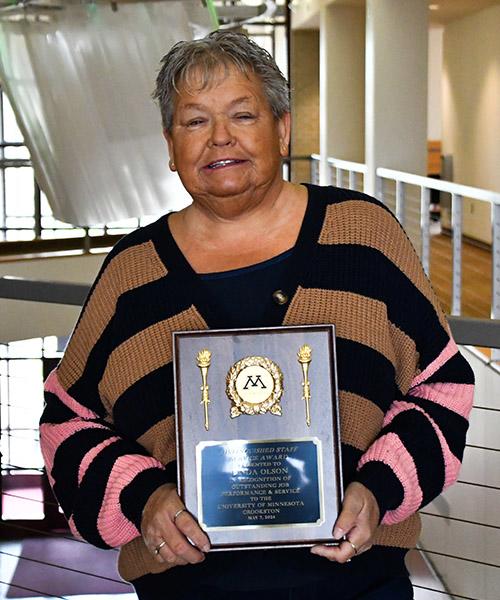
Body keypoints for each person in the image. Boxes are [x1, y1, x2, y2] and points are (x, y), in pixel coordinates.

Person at [40, 30, 474, 600]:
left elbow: (441, 386)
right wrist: (141, 498)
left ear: (282, 128)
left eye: (243, 115)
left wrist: (379, 489)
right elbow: (66, 420)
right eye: (194, 121)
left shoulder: (363, 237)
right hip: (189, 591)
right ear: (170, 147)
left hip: (358, 585)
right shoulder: (132, 274)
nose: (220, 137)